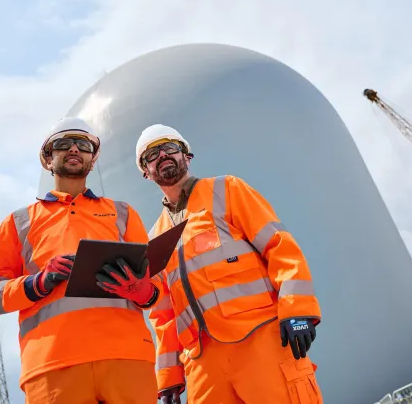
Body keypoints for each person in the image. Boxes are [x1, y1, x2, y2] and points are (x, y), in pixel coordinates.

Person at [132, 124, 324, 404]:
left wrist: (297, 310)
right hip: (203, 364)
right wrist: (169, 380)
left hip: (261, 341)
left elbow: (279, 247)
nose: (162, 155)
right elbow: (164, 316)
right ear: (145, 172)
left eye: (170, 148)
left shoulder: (226, 190)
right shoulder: (156, 238)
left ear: (187, 156)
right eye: (152, 154)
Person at [0, 117, 160, 403]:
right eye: (63, 144)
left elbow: (156, 284)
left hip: (127, 357)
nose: (74, 149)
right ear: (48, 158)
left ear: (92, 159)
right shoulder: (19, 223)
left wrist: (142, 290)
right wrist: (37, 283)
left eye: (83, 145)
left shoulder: (122, 213)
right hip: (52, 365)